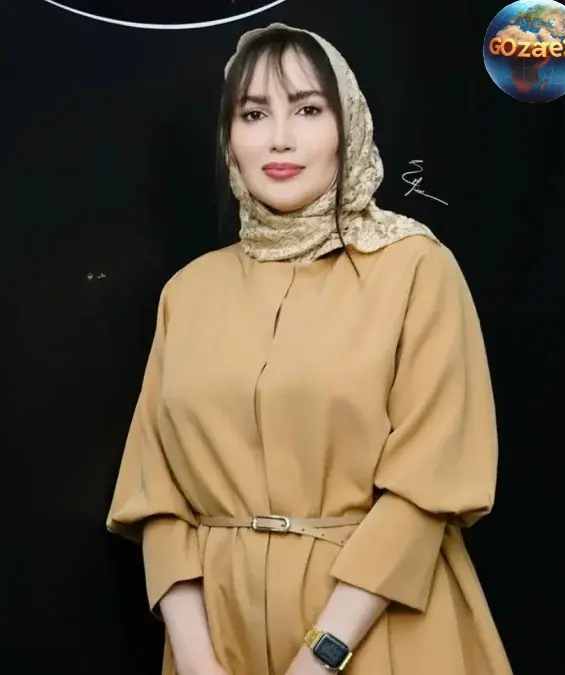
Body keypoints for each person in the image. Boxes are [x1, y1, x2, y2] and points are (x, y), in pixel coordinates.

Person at [106, 23, 513, 675]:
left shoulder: (414, 267)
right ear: (229, 139)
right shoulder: (188, 291)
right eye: (253, 114)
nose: (279, 138)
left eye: (306, 109)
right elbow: (156, 496)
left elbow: (429, 484)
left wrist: (321, 655)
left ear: (347, 126)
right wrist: (198, 661)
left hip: (377, 630)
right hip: (220, 638)